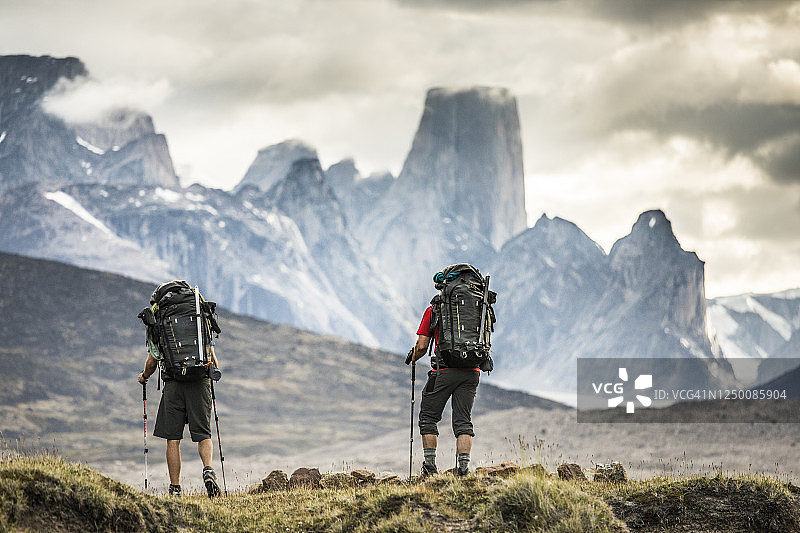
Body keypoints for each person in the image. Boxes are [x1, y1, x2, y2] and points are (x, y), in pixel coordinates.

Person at [407, 293, 481, 477]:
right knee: (463, 421)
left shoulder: (435, 309)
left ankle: (430, 469)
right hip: (472, 371)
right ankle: (463, 470)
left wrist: (413, 357)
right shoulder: (478, 307)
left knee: (428, 418)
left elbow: (422, 346)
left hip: (444, 370)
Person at [137, 343, 222, 497]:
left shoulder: (158, 325)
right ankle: (208, 470)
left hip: (173, 384)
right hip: (200, 383)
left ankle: (175, 488)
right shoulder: (201, 320)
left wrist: (144, 376)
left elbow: (151, 363)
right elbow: (213, 361)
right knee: (203, 434)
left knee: (173, 438)